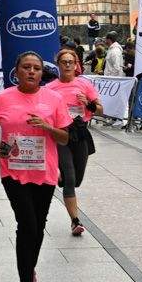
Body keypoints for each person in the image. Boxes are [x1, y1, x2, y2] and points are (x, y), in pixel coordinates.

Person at [0, 51, 73, 282]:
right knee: (27, 224)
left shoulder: (54, 99)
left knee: (38, 226)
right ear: (17, 71)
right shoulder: (2, 99)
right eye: (26, 67)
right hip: (13, 172)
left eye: (36, 68)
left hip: (43, 173)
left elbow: (65, 138)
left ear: (42, 72)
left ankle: (28, 271)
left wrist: (47, 127)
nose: (32, 72)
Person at [49, 47, 101, 238]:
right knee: (70, 179)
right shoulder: (50, 88)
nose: (68, 65)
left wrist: (88, 103)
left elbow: (100, 109)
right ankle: (75, 221)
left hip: (80, 134)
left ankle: (61, 175)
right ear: (58, 65)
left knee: (76, 179)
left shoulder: (84, 85)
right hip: (62, 134)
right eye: (65, 62)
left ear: (76, 64)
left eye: (72, 62)